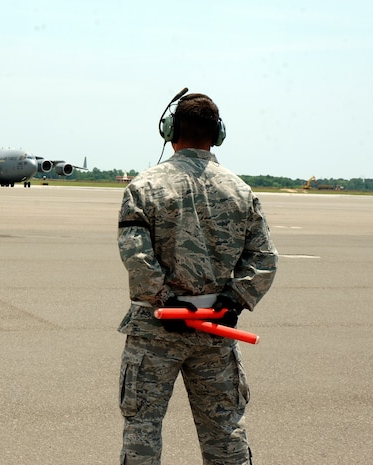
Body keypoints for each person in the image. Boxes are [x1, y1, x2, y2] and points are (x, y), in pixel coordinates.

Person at [117, 90, 278, 465]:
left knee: (142, 433)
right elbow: (265, 258)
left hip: (157, 331)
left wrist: (164, 299)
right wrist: (234, 299)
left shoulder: (144, 187)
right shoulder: (240, 191)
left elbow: (136, 255)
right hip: (216, 331)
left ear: (170, 129)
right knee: (225, 434)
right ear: (217, 133)